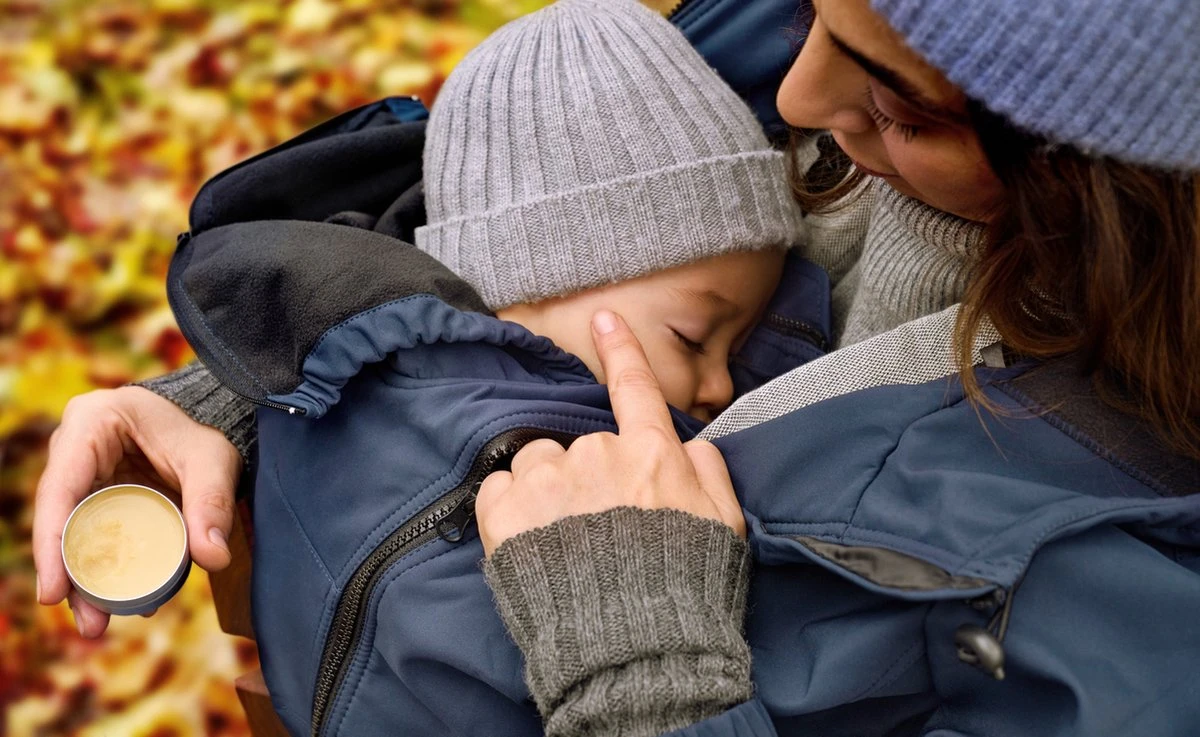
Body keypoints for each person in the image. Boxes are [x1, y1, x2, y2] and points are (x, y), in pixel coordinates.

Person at [33, 0, 1200, 734]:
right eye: (817, 13)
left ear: (1092, 182)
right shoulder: (764, 71)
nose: (794, 98)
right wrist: (281, 375)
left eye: (895, 99)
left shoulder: (1137, 563)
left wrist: (646, 679)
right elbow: (490, 212)